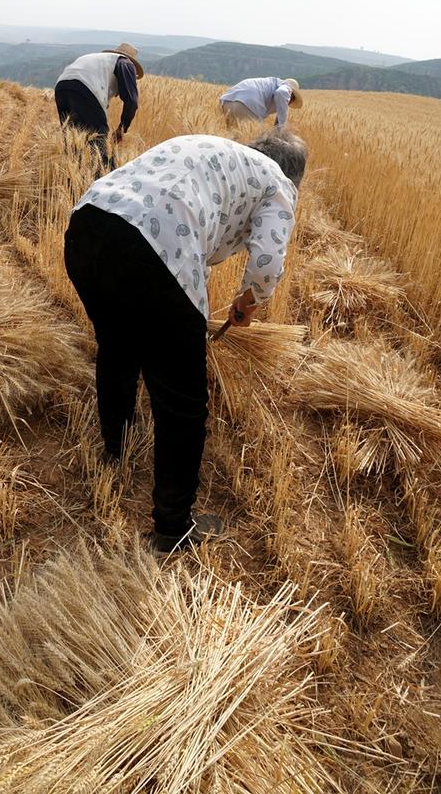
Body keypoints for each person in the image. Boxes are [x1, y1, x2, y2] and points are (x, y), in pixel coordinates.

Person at [64, 126, 307, 553]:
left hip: (87, 226)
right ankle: (173, 528)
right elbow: (268, 261)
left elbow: (185, 221)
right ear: (294, 177)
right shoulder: (277, 183)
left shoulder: (211, 150)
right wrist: (250, 301)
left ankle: (114, 449)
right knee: (183, 404)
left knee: (118, 346)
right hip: (150, 247)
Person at [54, 42, 143, 172]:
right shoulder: (126, 63)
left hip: (61, 87)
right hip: (85, 88)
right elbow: (132, 101)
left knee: (72, 138)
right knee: (99, 141)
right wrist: (122, 129)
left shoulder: (99, 60)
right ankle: (105, 180)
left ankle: (71, 177)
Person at [220, 77, 303, 128]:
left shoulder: (271, 83)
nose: (289, 102)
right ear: (291, 95)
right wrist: (282, 127)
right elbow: (281, 93)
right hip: (247, 105)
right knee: (252, 143)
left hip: (227, 102)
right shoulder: (286, 88)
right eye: (292, 99)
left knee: (231, 141)